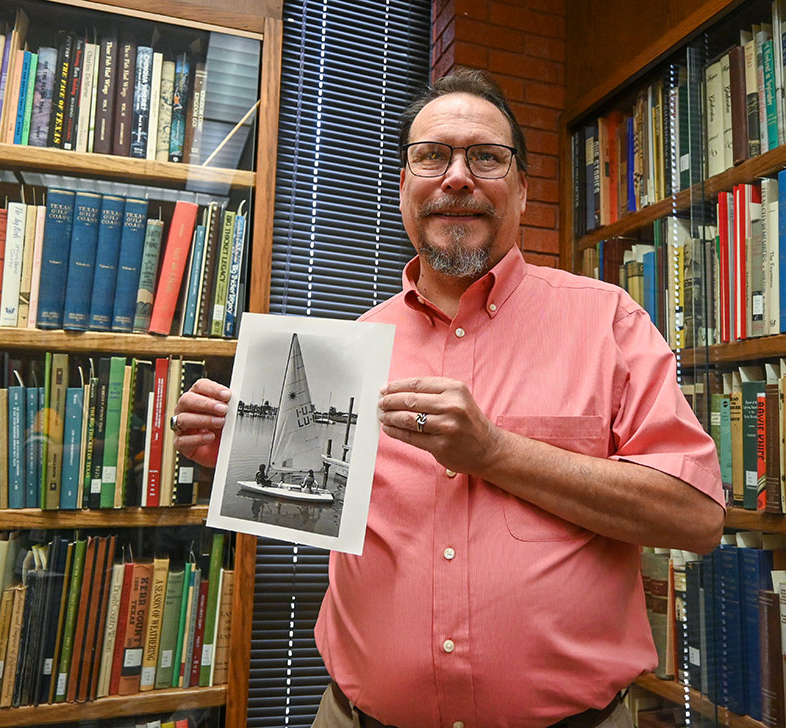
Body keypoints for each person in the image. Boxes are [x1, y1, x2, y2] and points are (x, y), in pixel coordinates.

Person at [173, 68, 724, 728]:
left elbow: (695, 519)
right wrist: (237, 451)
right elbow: (306, 496)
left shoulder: (608, 320)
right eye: (431, 156)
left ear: (522, 191)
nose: (457, 177)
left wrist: (493, 451)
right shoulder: (347, 351)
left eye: (486, 157)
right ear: (405, 186)